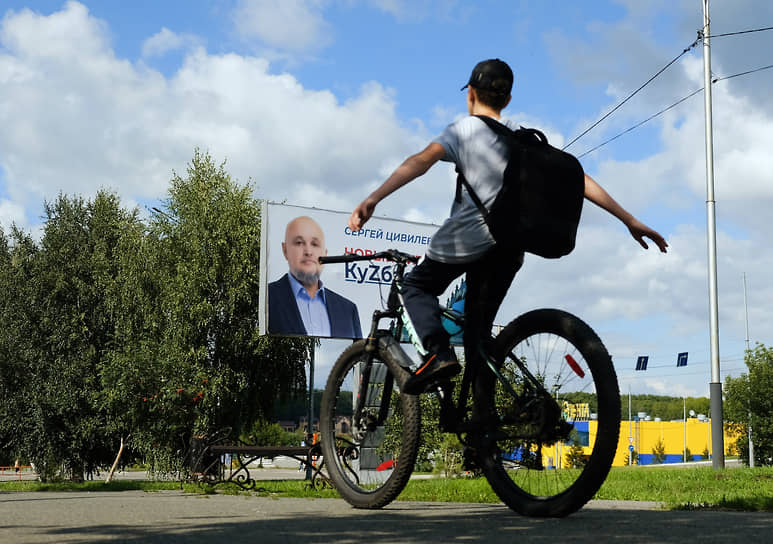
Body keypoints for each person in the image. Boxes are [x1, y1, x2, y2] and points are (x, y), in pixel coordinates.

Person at [348, 59, 668, 395]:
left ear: (470, 93)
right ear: (508, 99)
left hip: (467, 241)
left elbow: (420, 161)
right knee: (478, 335)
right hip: (510, 245)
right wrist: (628, 219)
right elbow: (579, 180)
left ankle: (438, 354)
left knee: (415, 287)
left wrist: (374, 198)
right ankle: (481, 428)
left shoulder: (463, 131)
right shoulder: (521, 137)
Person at [268, 215, 362, 338]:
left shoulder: (348, 310)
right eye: (299, 242)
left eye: (315, 244)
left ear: (325, 253)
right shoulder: (268, 296)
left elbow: (358, 355)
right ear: (285, 250)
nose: (308, 251)